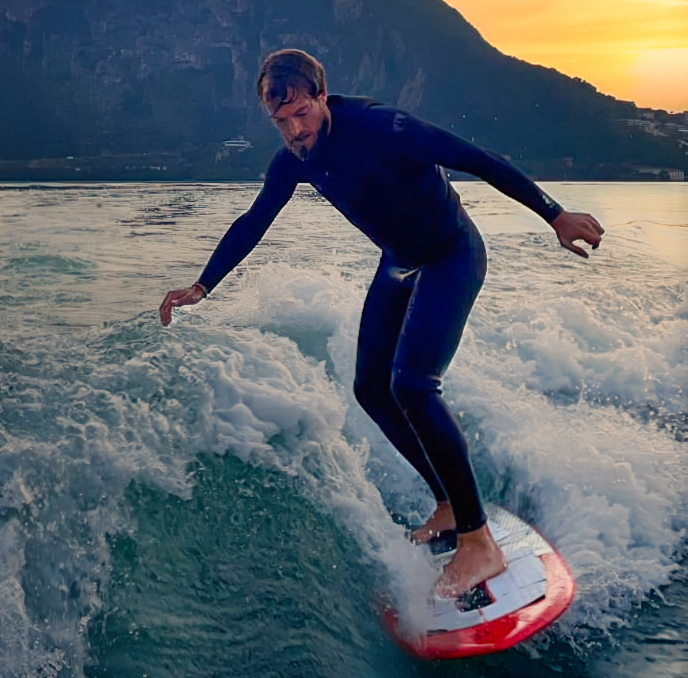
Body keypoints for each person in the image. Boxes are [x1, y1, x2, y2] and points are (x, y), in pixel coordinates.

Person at [159, 49, 604, 598]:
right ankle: (446, 503)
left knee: (414, 384)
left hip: (450, 253)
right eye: (281, 122)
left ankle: (478, 540)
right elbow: (255, 219)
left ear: (323, 97)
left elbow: (476, 157)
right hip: (399, 261)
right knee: (371, 387)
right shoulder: (293, 160)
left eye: (302, 114)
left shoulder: (384, 127)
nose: (295, 131)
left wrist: (554, 214)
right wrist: (203, 285)